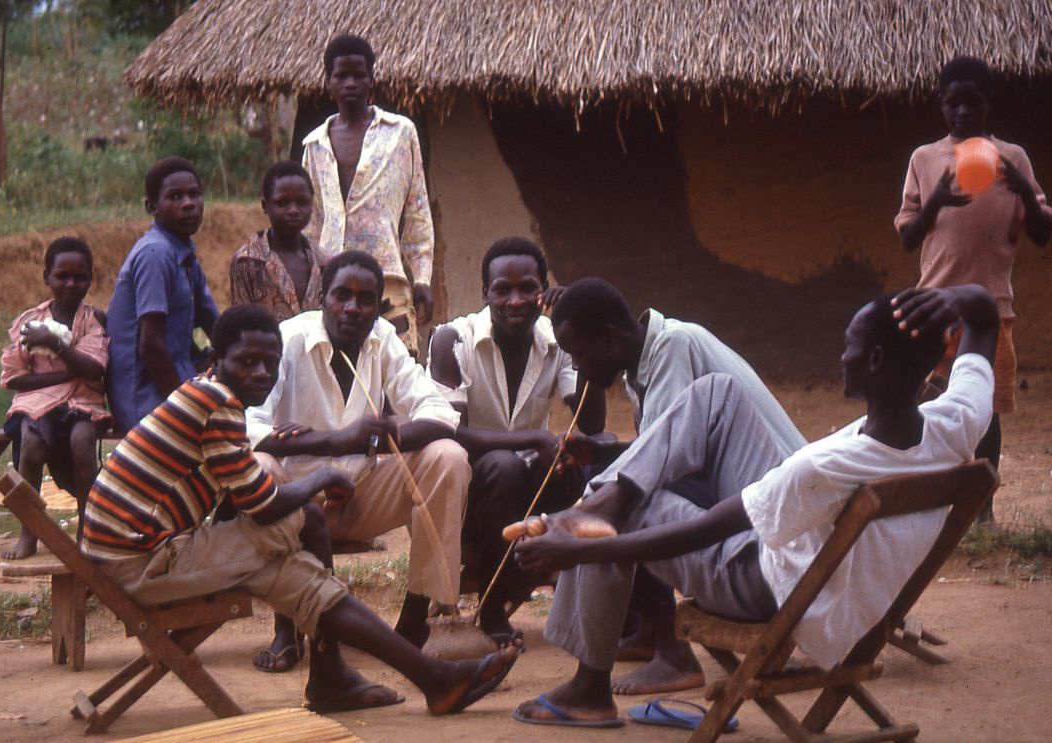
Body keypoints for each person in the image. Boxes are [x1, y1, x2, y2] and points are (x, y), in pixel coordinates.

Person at [507, 284, 998, 727]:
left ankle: (589, 688)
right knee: (716, 393)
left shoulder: (826, 467)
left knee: (623, 509)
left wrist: (577, 552)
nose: (840, 355)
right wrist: (955, 301)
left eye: (847, 344)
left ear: (873, 361)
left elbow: (701, 534)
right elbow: (985, 317)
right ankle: (596, 507)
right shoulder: (955, 421)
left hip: (769, 587)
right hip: (822, 570)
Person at [82, 304, 518, 714]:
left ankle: (405, 678)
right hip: (142, 562)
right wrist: (324, 477)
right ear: (216, 358)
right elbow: (262, 503)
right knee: (306, 521)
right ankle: (347, 675)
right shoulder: (217, 406)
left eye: (270, 364)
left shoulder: (206, 395)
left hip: (141, 552)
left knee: (298, 565)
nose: (261, 373)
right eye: (246, 361)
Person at [523, 278, 807, 696]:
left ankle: (649, 660)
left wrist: (595, 506)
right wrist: (605, 455)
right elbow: (672, 450)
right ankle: (647, 633)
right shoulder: (648, 358)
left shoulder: (674, 347)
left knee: (618, 505)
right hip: (762, 514)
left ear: (609, 336)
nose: (578, 368)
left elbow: (668, 472)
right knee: (611, 483)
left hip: (769, 526)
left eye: (579, 355)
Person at [249, 250, 470, 670]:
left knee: (448, 457)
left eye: (365, 299)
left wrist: (376, 440)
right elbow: (248, 428)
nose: (352, 308)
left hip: (361, 492)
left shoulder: (382, 339)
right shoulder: (288, 339)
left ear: (378, 307)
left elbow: (440, 413)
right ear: (322, 298)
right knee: (261, 466)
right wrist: (335, 441)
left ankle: (416, 618)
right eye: (341, 296)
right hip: (299, 500)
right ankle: (285, 628)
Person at [895, 55, 1052, 521]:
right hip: (935, 306)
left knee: (988, 409)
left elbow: (1042, 235)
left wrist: (1024, 189)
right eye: (954, 103)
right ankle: (922, 499)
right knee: (925, 399)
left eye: (974, 103)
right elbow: (907, 237)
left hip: (992, 310)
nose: (963, 112)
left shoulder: (1013, 159)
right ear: (940, 104)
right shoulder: (925, 160)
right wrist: (936, 202)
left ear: (989, 104)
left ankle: (981, 509)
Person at [427, 237, 605, 646]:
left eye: (528, 287)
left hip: (530, 482)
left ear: (544, 291)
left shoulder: (557, 340)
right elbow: (448, 434)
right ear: (483, 293)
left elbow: (592, 421)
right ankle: (492, 607)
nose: (516, 300)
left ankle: (595, 603)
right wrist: (532, 437)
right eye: (502, 290)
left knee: (596, 454)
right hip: (469, 493)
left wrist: (582, 336)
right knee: (505, 465)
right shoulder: (453, 340)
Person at [301, 34, 434, 355]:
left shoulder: (400, 133)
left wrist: (423, 277)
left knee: (397, 372)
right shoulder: (314, 145)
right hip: (333, 285)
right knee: (340, 375)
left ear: (371, 81)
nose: (350, 83)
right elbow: (311, 222)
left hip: (389, 282)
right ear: (328, 82)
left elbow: (417, 208)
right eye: (341, 76)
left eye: (358, 75)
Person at [0, 237, 110, 560]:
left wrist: (56, 344)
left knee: (81, 442)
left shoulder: (93, 320)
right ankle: (29, 532)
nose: (72, 284)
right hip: (37, 405)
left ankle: (86, 531)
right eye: (63, 276)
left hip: (82, 404)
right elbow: (13, 376)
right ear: (46, 276)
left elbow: (95, 366)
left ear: (91, 278)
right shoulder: (30, 322)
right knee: (31, 445)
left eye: (81, 277)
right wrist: (61, 376)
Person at [107, 156, 221, 433]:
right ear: (152, 207)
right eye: (175, 196)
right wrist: (186, 408)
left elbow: (216, 326)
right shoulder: (155, 253)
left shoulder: (184, 255)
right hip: (146, 401)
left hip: (176, 383)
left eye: (194, 194)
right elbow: (151, 346)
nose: (189, 203)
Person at [230, 160, 324, 322]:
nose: (293, 210)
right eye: (282, 203)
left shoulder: (323, 262)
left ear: (311, 204)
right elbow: (241, 324)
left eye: (302, 202)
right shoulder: (248, 261)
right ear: (265, 206)